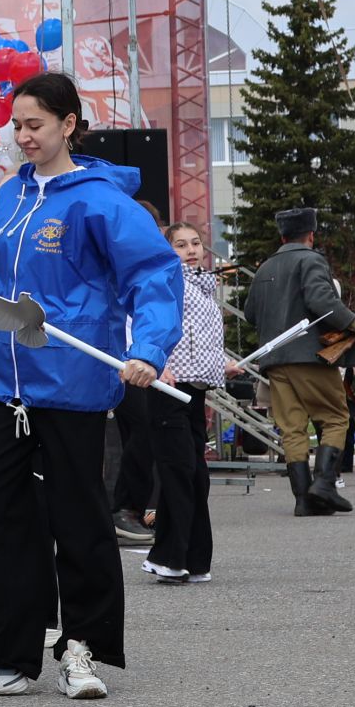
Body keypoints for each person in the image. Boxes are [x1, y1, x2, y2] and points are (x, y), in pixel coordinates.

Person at [0, 74, 182, 703]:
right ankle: (2, 656)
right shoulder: (10, 195)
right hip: (4, 384)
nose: (22, 136)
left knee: (79, 518)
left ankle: (82, 647)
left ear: (69, 124)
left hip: (70, 383)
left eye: (34, 124)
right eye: (16, 125)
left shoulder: (102, 202)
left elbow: (153, 274)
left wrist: (148, 349)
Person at [243, 207, 355, 516]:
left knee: (292, 429)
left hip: (274, 361)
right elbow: (322, 301)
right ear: (311, 235)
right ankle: (324, 486)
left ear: (282, 235)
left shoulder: (264, 268)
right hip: (309, 357)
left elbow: (250, 314)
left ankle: (303, 499)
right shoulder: (311, 259)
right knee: (335, 417)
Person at [142, 223, 227, 585]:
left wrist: (222, 362)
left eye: (195, 243)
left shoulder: (203, 285)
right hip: (167, 385)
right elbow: (142, 319)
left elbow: (202, 339)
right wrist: (157, 362)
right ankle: (169, 558)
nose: (191, 249)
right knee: (178, 471)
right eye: (180, 244)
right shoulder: (163, 278)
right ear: (167, 249)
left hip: (196, 387)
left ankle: (195, 560)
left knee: (197, 474)